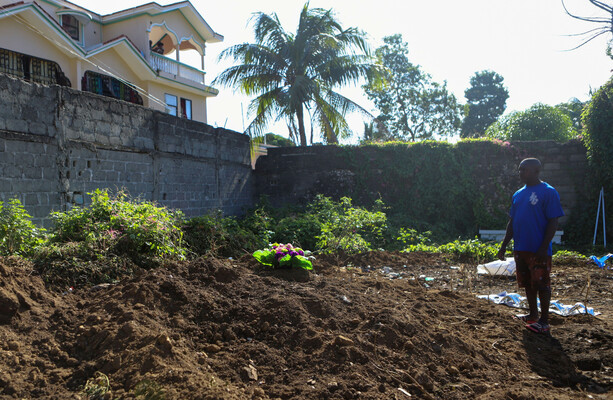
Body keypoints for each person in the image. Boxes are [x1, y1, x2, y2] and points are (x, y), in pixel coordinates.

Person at [497, 158, 564, 334]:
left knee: (542, 283)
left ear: (536, 171)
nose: (520, 173)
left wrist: (543, 247)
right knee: (527, 283)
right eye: (519, 170)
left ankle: (544, 321)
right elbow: (512, 221)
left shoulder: (548, 192)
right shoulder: (518, 194)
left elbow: (553, 221)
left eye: (524, 170)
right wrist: (504, 245)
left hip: (538, 248)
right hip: (521, 247)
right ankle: (532, 314)